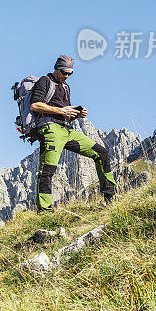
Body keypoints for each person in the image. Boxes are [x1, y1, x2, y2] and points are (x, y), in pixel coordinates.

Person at [29, 55, 117, 212]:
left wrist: (77, 114)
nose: (67, 76)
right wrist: (60, 110)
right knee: (47, 170)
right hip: (51, 130)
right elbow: (35, 105)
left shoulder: (66, 87)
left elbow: (66, 112)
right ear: (56, 68)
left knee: (101, 153)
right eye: (64, 72)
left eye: (70, 73)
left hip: (67, 131)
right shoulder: (45, 81)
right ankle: (45, 212)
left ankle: (111, 197)